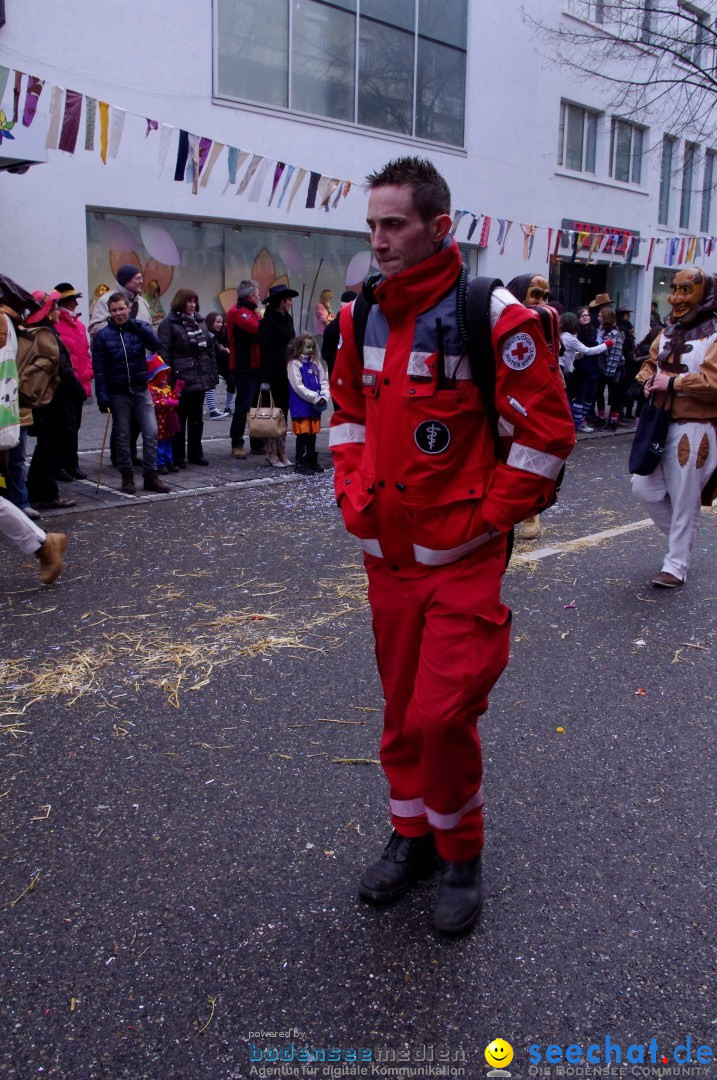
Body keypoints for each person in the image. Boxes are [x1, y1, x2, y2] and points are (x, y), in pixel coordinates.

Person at [329, 157, 575, 936]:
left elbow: (545, 437)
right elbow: (346, 420)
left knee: (442, 717)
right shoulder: (357, 316)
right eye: (371, 225)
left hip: (462, 565)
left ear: (439, 228)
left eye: (393, 224)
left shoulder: (496, 318)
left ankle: (461, 850)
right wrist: (353, 500)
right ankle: (412, 838)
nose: (378, 240)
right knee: (402, 715)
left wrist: (481, 522)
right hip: (387, 563)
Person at [632, 268, 717, 589]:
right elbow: (650, 363)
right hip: (659, 422)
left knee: (685, 496)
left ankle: (676, 564)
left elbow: (714, 381)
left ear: (705, 293)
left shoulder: (714, 334)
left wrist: (675, 382)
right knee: (643, 487)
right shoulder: (668, 331)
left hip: (695, 428)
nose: (677, 298)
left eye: (686, 291)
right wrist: (647, 379)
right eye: (676, 290)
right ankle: (682, 541)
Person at [91, 293, 170, 495]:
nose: (118, 313)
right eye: (114, 310)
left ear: (128, 308)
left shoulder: (139, 328)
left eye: (121, 309)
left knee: (151, 431)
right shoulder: (103, 336)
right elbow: (99, 369)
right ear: (109, 312)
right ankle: (127, 476)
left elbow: (155, 344)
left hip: (140, 388)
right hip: (118, 392)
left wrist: (140, 329)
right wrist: (102, 396)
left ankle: (151, 475)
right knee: (123, 435)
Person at [506, 273, 562, 541]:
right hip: (504, 398)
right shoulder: (501, 320)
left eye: (546, 296)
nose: (542, 302)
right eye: (536, 294)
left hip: (533, 401)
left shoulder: (546, 322)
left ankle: (531, 509)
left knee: (532, 453)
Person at [25, 291, 86, 511]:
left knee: (46, 447)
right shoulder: (46, 333)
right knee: (50, 448)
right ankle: (46, 494)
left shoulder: (36, 331)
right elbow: (62, 368)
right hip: (54, 400)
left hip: (47, 398)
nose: (58, 311)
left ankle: (36, 491)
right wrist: (79, 391)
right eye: (55, 307)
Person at [157, 289, 218, 468]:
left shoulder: (200, 320)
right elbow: (164, 353)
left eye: (194, 301)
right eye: (188, 301)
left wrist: (212, 372)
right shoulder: (169, 324)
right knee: (179, 418)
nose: (192, 305)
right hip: (181, 377)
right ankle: (178, 456)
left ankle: (195, 453)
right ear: (180, 302)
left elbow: (209, 348)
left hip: (199, 375)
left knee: (197, 417)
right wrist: (167, 379)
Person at [54, 282, 93, 480]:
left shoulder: (79, 325)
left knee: (75, 426)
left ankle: (71, 464)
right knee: (64, 427)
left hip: (80, 382)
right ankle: (60, 465)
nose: (76, 304)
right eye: (72, 301)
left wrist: (89, 372)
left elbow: (84, 353)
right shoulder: (56, 325)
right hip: (64, 385)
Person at [259, 284, 298, 467]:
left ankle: (282, 450)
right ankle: (270, 452)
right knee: (271, 411)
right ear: (280, 302)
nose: (290, 303)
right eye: (288, 300)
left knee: (284, 410)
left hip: (287, 370)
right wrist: (265, 379)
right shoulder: (268, 321)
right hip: (272, 371)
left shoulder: (287, 319)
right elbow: (264, 351)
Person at [226, 280, 264, 460]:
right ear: (250, 296)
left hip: (256, 365)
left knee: (256, 406)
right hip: (243, 366)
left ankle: (257, 443)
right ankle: (237, 443)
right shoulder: (238, 313)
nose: (259, 297)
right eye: (257, 294)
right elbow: (258, 330)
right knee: (243, 406)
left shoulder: (253, 312)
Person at [560, 310, 611, 432]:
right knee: (570, 399)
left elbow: (568, 352)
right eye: (582, 316)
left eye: (588, 315)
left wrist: (576, 355)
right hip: (573, 371)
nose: (585, 318)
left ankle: (578, 421)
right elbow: (588, 350)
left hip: (582, 370)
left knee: (584, 397)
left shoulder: (566, 336)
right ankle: (577, 423)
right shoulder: (571, 337)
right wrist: (607, 344)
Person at [287, 333, 329, 475]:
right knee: (303, 434)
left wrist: (324, 395)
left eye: (312, 347)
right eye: (308, 347)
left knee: (312, 434)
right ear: (299, 348)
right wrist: (315, 397)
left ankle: (311, 459)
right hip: (301, 405)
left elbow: (323, 381)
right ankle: (300, 462)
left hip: (314, 405)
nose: (310, 350)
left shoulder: (315, 363)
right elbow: (298, 387)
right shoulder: (294, 364)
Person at [89, 265, 152, 338]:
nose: (141, 282)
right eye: (137, 278)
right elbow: (94, 329)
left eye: (141, 278)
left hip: (141, 349)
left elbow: (150, 330)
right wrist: (117, 326)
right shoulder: (106, 300)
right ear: (126, 281)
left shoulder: (143, 303)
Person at [146, 354, 180, 474]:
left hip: (168, 422)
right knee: (159, 444)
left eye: (166, 374)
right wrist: (165, 402)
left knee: (168, 442)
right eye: (162, 375)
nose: (165, 377)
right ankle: (160, 464)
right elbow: (153, 403)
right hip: (159, 421)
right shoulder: (152, 390)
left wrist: (177, 390)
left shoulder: (166, 388)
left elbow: (173, 398)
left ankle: (168, 461)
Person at [594, 308, 625, 430]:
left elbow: (615, 354)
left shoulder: (615, 334)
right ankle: (601, 418)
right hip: (602, 366)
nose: (598, 318)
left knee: (614, 395)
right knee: (599, 393)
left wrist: (609, 372)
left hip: (614, 368)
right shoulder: (599, 330)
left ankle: (613, 421)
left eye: (600, 316)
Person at [203, 311, 235, 420]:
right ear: (210, 322)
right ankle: (212, 410)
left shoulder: (219, 334)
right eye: (217, 322)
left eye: (221, 322)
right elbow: (214, 352)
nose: (220, 325)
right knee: (208, 384)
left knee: (231, 380)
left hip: (219, 363)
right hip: (209, 363)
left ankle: (226, 408)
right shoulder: (208, 335)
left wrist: (224, 351)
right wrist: (224, 351)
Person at [321, 290, 357, 380]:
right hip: (349, 378)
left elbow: (325, 354)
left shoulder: (331, 327)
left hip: (335, 377)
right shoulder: (356, 326)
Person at [314, 288, 334, 355]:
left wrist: (333, 320)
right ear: (325, 297)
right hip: (322, 332)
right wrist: (329, 321)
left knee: (328, 351)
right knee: (322, 352)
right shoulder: (319, 305)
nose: (330, 300)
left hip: (328, 331)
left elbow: (332, 315)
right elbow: (321, 317)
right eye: (329, 298)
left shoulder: (327, 306)